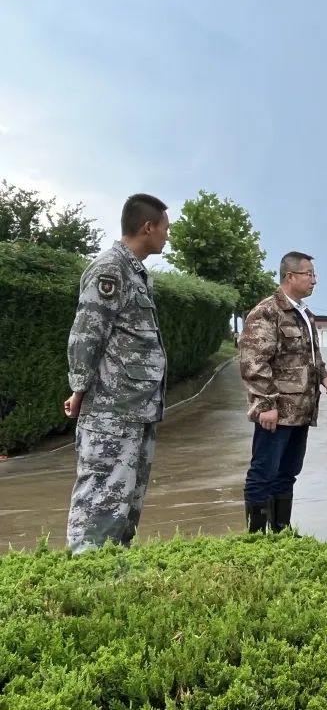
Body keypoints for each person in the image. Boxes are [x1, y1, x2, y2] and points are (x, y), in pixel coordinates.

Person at [64, 193, 171, 554]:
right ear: (148, 227)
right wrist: (79, 388)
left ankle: (112, 580)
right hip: (111, 410)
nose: (167, 236)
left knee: (125, 505)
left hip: (136, 407)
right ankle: (84, 577)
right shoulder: (110, 269)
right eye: (165, 229)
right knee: (99, 500)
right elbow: (87, 332)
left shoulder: (137, 273)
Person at [238, 251, 327, 533]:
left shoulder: (305, 314)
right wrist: (266, 403)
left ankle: (280, 533)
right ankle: (256, 541)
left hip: (301, 412)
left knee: (287, 475)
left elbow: (310, 356)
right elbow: (254, 363)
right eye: (309, 274)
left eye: (314, 275)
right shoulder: (267, 312)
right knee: (263, 475)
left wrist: (325, 376)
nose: (314, 281)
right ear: (290, 276)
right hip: (276, 412)